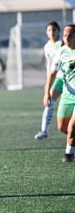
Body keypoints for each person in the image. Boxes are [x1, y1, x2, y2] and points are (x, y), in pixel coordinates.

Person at [44, 24, 75, 162]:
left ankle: (69, 154)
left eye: (70, 35)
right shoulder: (61, 51)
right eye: (65, 35)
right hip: (67, 94)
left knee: (72, 126)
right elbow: (52, 73)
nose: (67, 38)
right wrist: (47, 93)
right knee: (62, 127)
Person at [35, 21, 63, 139]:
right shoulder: (47, 47)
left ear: (58, 31)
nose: (52, 32)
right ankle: (44, 131)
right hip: (58, 79)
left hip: (70, 79)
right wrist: (48, 83)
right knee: (49, 102)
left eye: (54, 30)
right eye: (49, 30)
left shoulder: (63, 44)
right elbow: (49, 66)